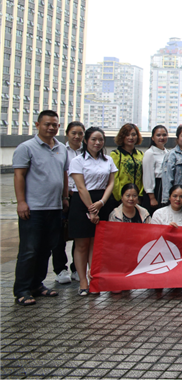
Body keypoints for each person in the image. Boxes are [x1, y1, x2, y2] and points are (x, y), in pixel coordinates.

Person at [12, 110, 70, 306]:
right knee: (29, 250)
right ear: (37, 125)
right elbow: (19, 175)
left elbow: (63, 174)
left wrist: (64, 198)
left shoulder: (61, 148)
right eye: (47, 124)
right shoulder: (26, 148)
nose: (51, 127)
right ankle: (22, 290)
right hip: (33, 208)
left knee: (46, 249)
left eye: (55, 124)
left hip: (54, 207)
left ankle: (37, 285)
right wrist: (21, 202)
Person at [69, 126, 117, 296]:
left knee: (96, 245)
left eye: (100, 139)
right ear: (86, 141)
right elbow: (81, 187)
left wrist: (101, 203)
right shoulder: (77, 160)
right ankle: (83, 282)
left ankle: (94, 279)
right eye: (93, 139)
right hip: (82, 202)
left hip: (102, 201)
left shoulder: (108, 160)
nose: (97, 143)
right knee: (82, 244)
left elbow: (111, 183)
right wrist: (92, 210)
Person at [52, 120, 84, 285]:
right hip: (65, 196)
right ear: (67, 134)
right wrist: (65, 196)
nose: (77, 136)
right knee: (59, 234)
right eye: (73, 133)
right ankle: (60, 269)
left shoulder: (86, 151)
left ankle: (76, 268)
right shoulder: (60, 151)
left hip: (81, 196)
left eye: (80, 133)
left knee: (78, 234)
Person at [109, 123, 144, 218]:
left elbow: (143, 176)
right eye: (127, 135)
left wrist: (139, 196)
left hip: (137, 198)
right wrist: (120, 197)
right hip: (120, 199)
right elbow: (114, 178)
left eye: (133, 134)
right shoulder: (116, 154)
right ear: (122, 136)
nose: (131, 137)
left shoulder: (141, 154)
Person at [142, 124, 168, 215]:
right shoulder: (150, 153)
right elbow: (147, 176)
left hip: (164, 188)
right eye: (158, 135)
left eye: (164, 135)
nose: (162, 137)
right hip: (155, 189)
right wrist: (152, 197)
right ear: (153, 138)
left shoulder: (167, 152)